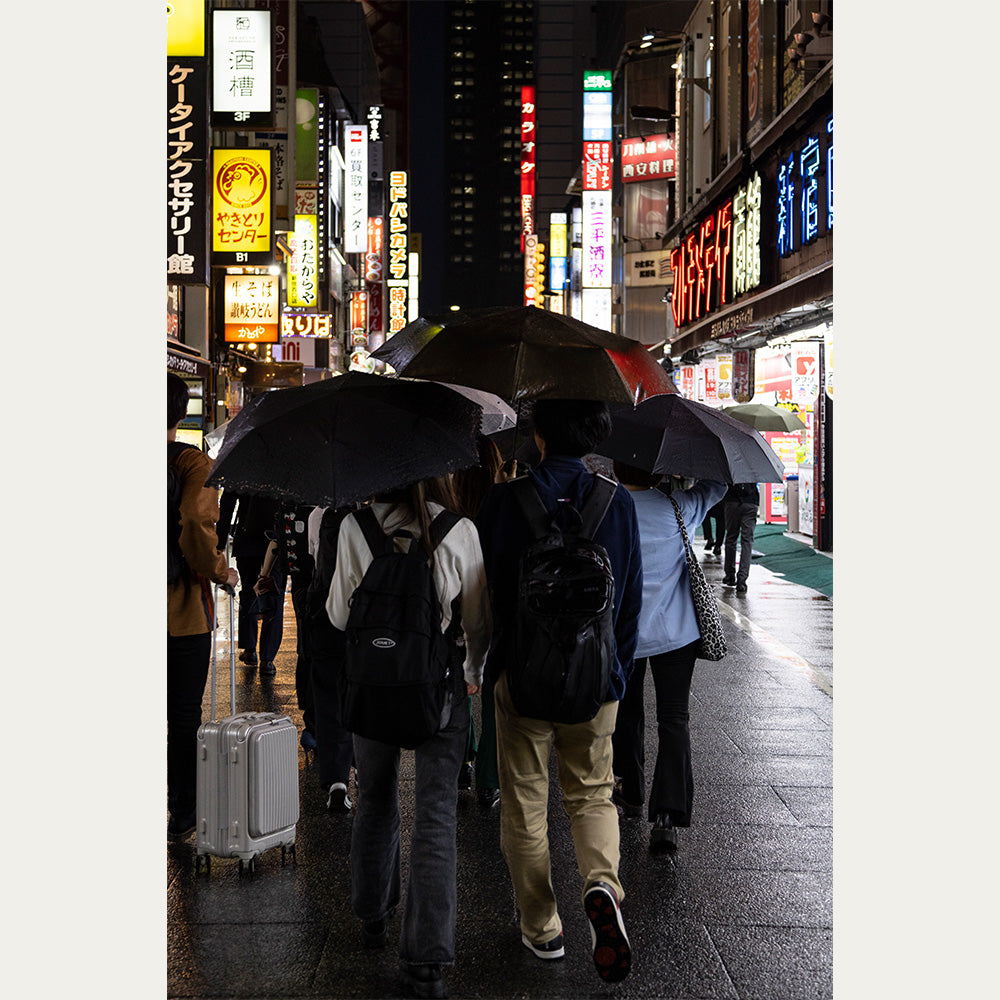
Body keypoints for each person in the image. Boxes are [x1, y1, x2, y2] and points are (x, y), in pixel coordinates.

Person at [475, 399, 641, 985]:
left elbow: (491, 589)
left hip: (521, 676)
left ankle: (541, 928)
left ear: (539, 435)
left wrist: (488, 661)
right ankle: (601, 885)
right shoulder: (615, 502)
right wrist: (612, 673)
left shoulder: (503, 500)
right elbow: (628, 604)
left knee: (525, 803)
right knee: (592, 794)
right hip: (596, 681)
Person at [325, 478, 492, 1000]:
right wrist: (473, 669)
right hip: (438, 693)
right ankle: (425, 962)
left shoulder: (355, 526)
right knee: (436, 813)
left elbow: (336, 614)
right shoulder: (458, 530)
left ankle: (374, 915)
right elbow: (479, 622)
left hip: (373, 691)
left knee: (375, 798)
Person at [610, 461, 727, 852]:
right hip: (677, 634)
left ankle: (629, 791)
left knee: (626, 712)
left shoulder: (609, 506)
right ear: (658, 473)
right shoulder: (679, 506)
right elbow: (717, 485)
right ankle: (666, 815)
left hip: (624, 634)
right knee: (673, 719)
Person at [167, 373, 239, 841]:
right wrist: (219, 569)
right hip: (179, 611)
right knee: (183, 715)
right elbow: (196, 518)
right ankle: (183, 815)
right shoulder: (190, 462)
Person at [449, 434, 509, 809]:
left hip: (458, 611)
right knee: (492, 694)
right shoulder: (504, 508)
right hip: (500, 611)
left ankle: (460, 764)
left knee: (460, 687)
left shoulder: (451, 517)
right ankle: (490, 778)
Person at [306, 503, 360, 813]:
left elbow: (314, 560)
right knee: (362, 692)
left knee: (327, 699)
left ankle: (336, 781)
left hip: (324, 613)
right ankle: (364, 766)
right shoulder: (370, 520)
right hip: (360, 618)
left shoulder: (318, 517)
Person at [217, 490, 284, 675]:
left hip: (247, 540)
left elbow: (227, 506)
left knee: (248, 592)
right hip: (276, 538)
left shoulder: (242, 466)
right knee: (274, 595)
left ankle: (250, 649)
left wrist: (220, 543)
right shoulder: (284, 466)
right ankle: (268, 659)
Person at [721, 482, 760, 595]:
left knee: (731, 538)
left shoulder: (730, 465)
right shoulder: (756, 465)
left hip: (732, 501)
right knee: (747, 541)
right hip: (750, 502)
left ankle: (729, 575)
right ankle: (742, 579)